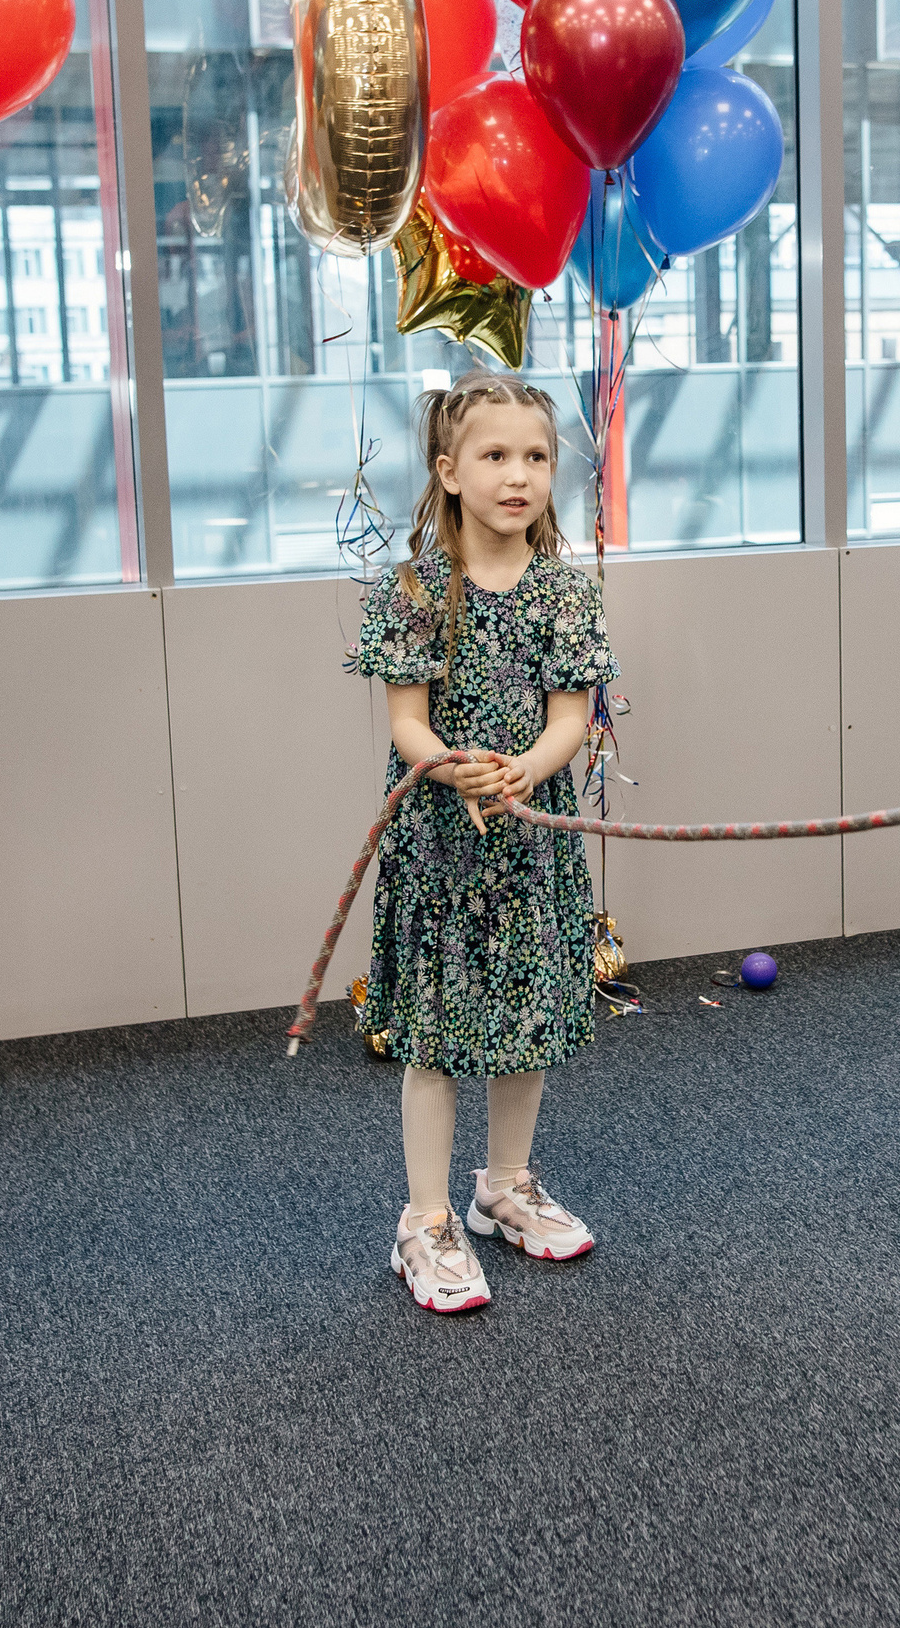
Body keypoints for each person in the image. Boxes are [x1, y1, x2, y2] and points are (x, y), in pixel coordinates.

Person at [348, 371, 617, 1314]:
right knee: (434, 1031)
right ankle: (424, 1220)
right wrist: (458, 767)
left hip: (530, 844)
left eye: (536, 457)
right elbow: (407, 725)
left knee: (525, 1018)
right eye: (496, 456)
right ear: (448, 469)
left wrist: (525, 770)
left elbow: (569, 721)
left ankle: (504, 1185)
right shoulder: (417, 589)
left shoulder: (564, 594)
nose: (519, 475)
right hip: (439, 845)